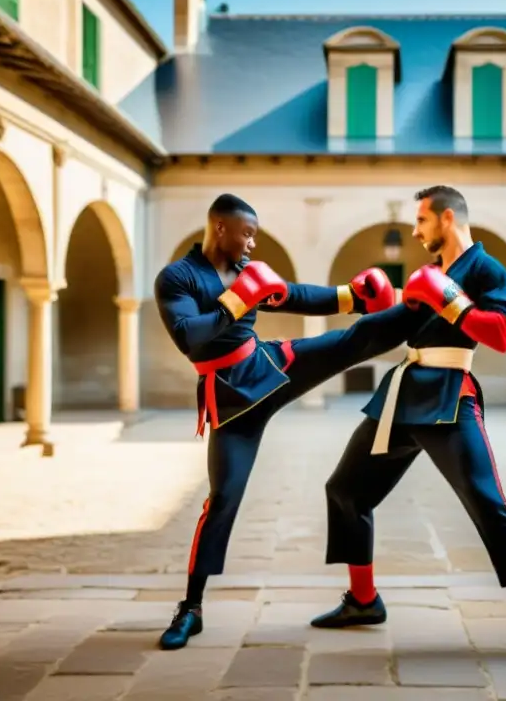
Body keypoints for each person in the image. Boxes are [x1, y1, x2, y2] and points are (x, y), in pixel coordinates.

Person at [308, 185, 506, 673]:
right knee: (346, 490)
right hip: (402, 395)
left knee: (491, 506)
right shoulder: (429, 276)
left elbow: (500, 335)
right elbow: (384, 329)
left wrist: (451, 300)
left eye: (421, 221)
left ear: (448, 218)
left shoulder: (486, 270)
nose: (414, 231)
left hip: (450, 398)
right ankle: (364, 599)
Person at [152, 192, 419, 650]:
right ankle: (191, 608)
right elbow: (188, 338)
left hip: (270, 366)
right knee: (223, 501)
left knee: (347, 342)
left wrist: (352, 297)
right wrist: (239, 301)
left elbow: (296, 296)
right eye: (248, 233)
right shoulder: (177, 277)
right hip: (231, 400)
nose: (253, 243)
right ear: (220, 228)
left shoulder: (244, 273)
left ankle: (429, 310)